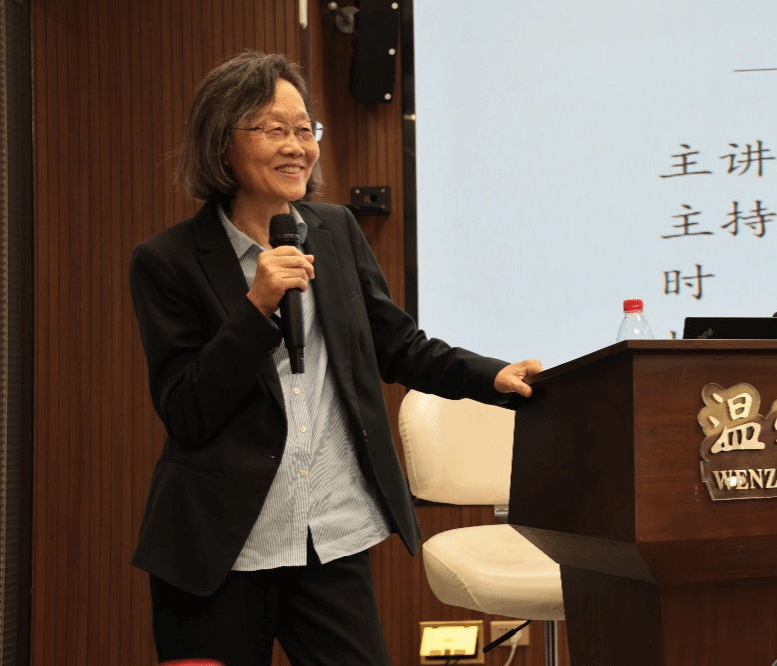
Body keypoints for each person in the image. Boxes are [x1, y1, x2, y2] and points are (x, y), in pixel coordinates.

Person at [128, 51, 543, 666]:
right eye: (274, 129)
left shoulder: (335, 230)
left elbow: (396, 345)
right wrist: (256, 307)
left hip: (330, 534)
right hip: (219, 549)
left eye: (305, 129)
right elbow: (187, 410)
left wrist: (492, 376)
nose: (297, 146)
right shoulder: (167, 261)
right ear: (221, 143)